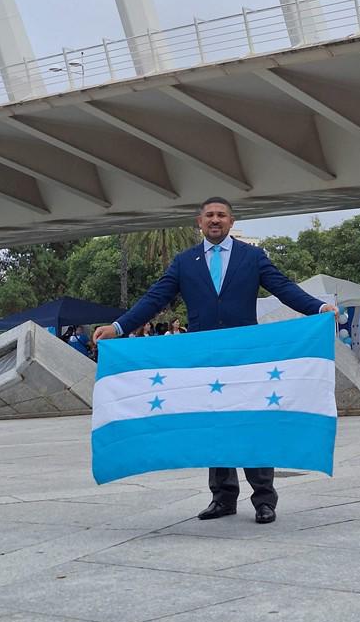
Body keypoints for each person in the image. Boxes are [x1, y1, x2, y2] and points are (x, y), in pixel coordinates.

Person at [94, 196, 337, 526]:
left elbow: (283, 287)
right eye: (209, 215)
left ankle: (264, 499)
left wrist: (318, 308)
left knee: (252, 423)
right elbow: (155, 298)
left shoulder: (252, 257)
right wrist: (118, 327)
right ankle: (222, 497)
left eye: (221, 215)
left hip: (246, 359)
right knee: (214, 423)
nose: (215, 220)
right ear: (199, 221)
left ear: (231, 221)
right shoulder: (184, 262)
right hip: (204, 359)